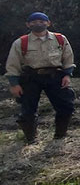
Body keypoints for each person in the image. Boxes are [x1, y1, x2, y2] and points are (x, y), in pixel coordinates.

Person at [5, 12, 76, 143]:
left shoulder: (60, 39)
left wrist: (67, 75)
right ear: (28, 24)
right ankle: (31, 139)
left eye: (42, 21)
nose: (38, 23)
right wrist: (14, 84)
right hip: (31, 78)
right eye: (34, 21)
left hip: (55, 76)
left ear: (48, 23)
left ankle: (60, 136)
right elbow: (12, 64)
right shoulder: (21, 42)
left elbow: (68, 57)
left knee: (66, 106)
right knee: (27, 110)